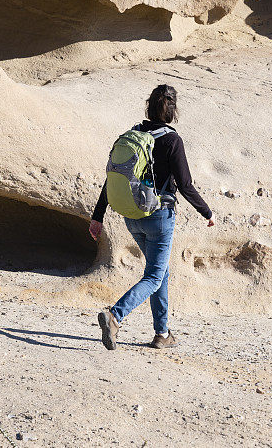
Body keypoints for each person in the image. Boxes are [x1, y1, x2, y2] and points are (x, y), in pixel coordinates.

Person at [89, 84, 214, 350]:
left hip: (132, 216)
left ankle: (162, 334)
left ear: (149, 106)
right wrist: (207, 212)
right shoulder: (172, 140)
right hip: (159, 217)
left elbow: (112, 178)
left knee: (160, 272)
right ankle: (115, 315)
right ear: (173, 110)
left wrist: (97, 216)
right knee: (155, 276)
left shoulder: (134, 135)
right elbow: (185, 184)